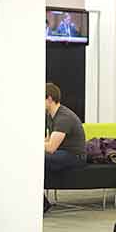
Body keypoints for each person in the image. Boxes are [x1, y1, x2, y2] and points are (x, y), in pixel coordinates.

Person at [44, 83, 86, 212]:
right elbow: (47, 139)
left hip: (74, 156)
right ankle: (42, 203)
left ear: (49, 99)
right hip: (62, 153)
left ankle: (42, 203)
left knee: (34, 160)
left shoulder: (63, 117)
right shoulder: (50, 116)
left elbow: (51, 147)